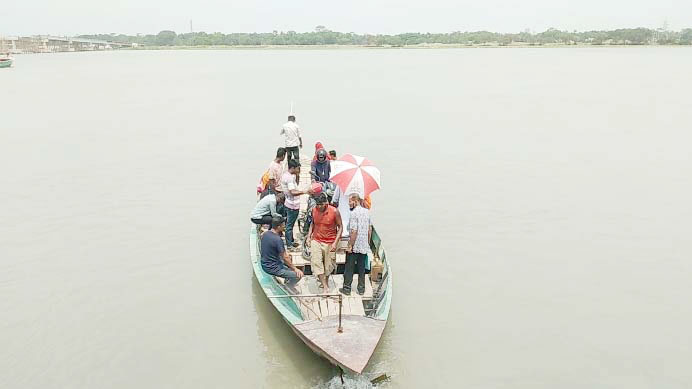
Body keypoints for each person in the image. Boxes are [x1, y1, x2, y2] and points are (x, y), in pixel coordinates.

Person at [308, 193, 343, 290]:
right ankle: (325, 286)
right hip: (316, 240)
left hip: (330, 241)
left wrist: (335, 243)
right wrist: (308, 236)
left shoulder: (334, 212)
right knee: (316, 262)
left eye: (321, 204)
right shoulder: (314, 210)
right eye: (317, 204)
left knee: (328, 266)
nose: (319, 206)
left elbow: (340, 227)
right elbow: (312, 224)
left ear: (325, 203)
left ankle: (325, 281)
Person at [340, 193, 372, 295]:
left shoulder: (354, 213)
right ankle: (361, 289)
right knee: (361, 268)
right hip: (364, 245)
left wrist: (350, 245)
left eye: (350, 202)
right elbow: (369, 230)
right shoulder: (367, 212)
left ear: (355, 201)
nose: (349, 204)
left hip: (355, 245)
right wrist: (367, 243)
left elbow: (354, 231)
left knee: (349, 267)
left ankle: (346, 289)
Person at [261, 216, 304, 288]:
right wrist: (295, 269)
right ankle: (289, 286)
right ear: (278, 227)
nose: (284, 226)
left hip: (265, 263)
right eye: (283, 225)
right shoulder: (277, 240)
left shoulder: (265, 234)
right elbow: (284, 257)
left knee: (289, 257)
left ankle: (287, 278)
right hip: (273, 268)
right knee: (299, 275)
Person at [281, 159, 309, 250]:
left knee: (290, 224)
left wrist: (297, 175)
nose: (299, 170)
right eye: (297, 168)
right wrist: (304, 192)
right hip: (292, 205)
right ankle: (289, 245)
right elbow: (292, 192)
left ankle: (291, 241)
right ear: (292, 168)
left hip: (288, 203)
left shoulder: (287, 175)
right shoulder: (289, 178)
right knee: (289, 225)